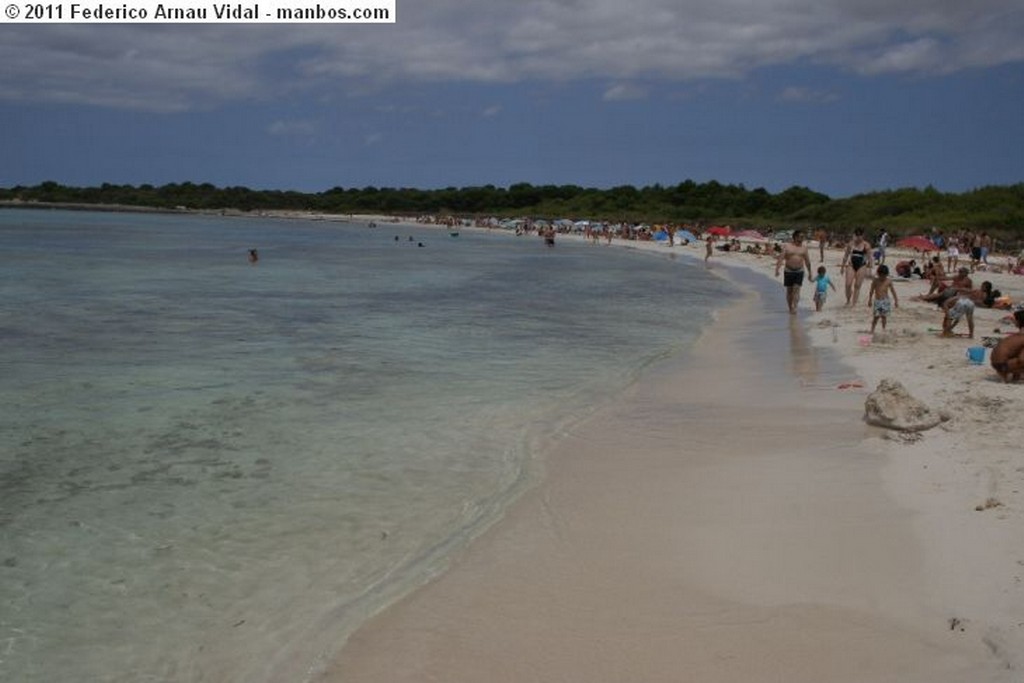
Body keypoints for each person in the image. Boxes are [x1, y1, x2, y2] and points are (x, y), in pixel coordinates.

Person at [775, 229, 812, 314]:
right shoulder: (787, 246)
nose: (802, 238)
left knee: (797, 289)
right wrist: (777, 269)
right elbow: (781, 258)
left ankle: (795, 307)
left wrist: (810, 272)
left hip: (799, 270)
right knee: (789, 290)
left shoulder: (804, 248)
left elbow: (807, 261)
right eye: (801, 237)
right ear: (795, 237)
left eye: (803, 237)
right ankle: (790, 307)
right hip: (788, 270)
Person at [840, 228, 873, 306]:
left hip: (862, 265)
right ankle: (848, 300)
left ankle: (854, 303)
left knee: (857, 285)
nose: (858, 237)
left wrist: (869, 269)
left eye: (860, 235)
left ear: (863, 235)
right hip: (851, 265)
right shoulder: (851, 244)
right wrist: (842, 267)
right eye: (857, 235)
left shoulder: (866, 245)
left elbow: (870, 258)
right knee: (848, 284)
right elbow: (846, 256)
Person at [990, 310, 1024, 382]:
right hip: (1002, 365)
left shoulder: (1019, 334)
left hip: (996, 363)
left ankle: (1014, 377)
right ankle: (1007, 375)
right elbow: (1022, 359)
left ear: (1018, 322)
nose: (1014, 322)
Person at [867, 264, 898, 333]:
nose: (882, 277)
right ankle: (872, 329)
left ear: (887, 275)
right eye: (881, 276)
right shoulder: (875, 281)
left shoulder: (888, 281)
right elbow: (871, 290)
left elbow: (893, 291)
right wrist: (869, 300)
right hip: (877, 301)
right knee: (876, 317)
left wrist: (896, 300)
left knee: (884, 317)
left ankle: (883, 329)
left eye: (884, 276)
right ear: (878, 274)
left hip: (885, 301)